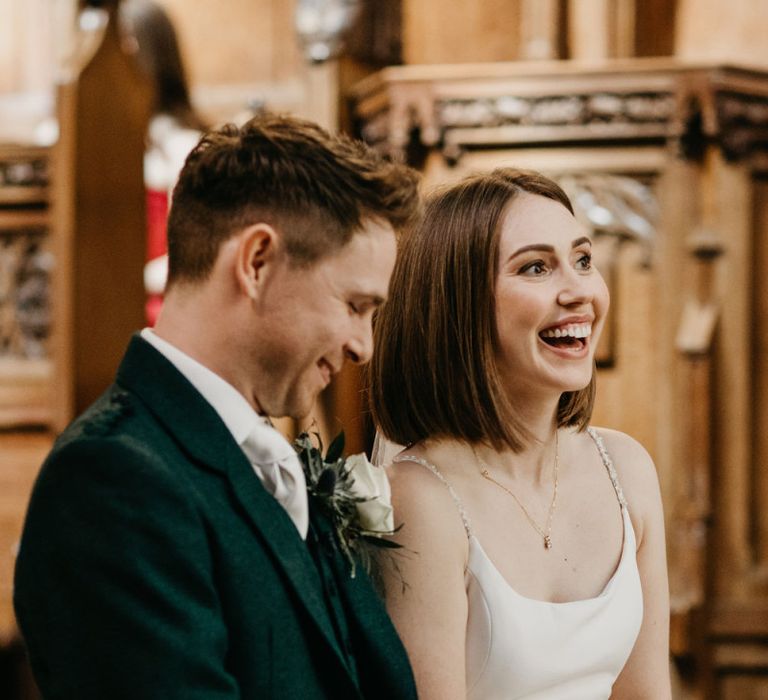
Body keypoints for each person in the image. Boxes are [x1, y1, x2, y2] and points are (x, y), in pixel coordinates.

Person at [14, 113, 421, 699]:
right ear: (257, 261)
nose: (365, 345)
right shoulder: (112, 482)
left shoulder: (261, 461)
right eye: (356, 305)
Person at [369, 168, 671, 699]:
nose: (579, 291)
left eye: (582, 260)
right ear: (460, 305)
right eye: (536, 268)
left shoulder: (626, 467)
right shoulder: (420, 498)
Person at [121, 0, 208, 324]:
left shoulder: (182, 145)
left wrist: (128, 281)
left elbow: (191, 254)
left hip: (157, 304)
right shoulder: (104, 144)